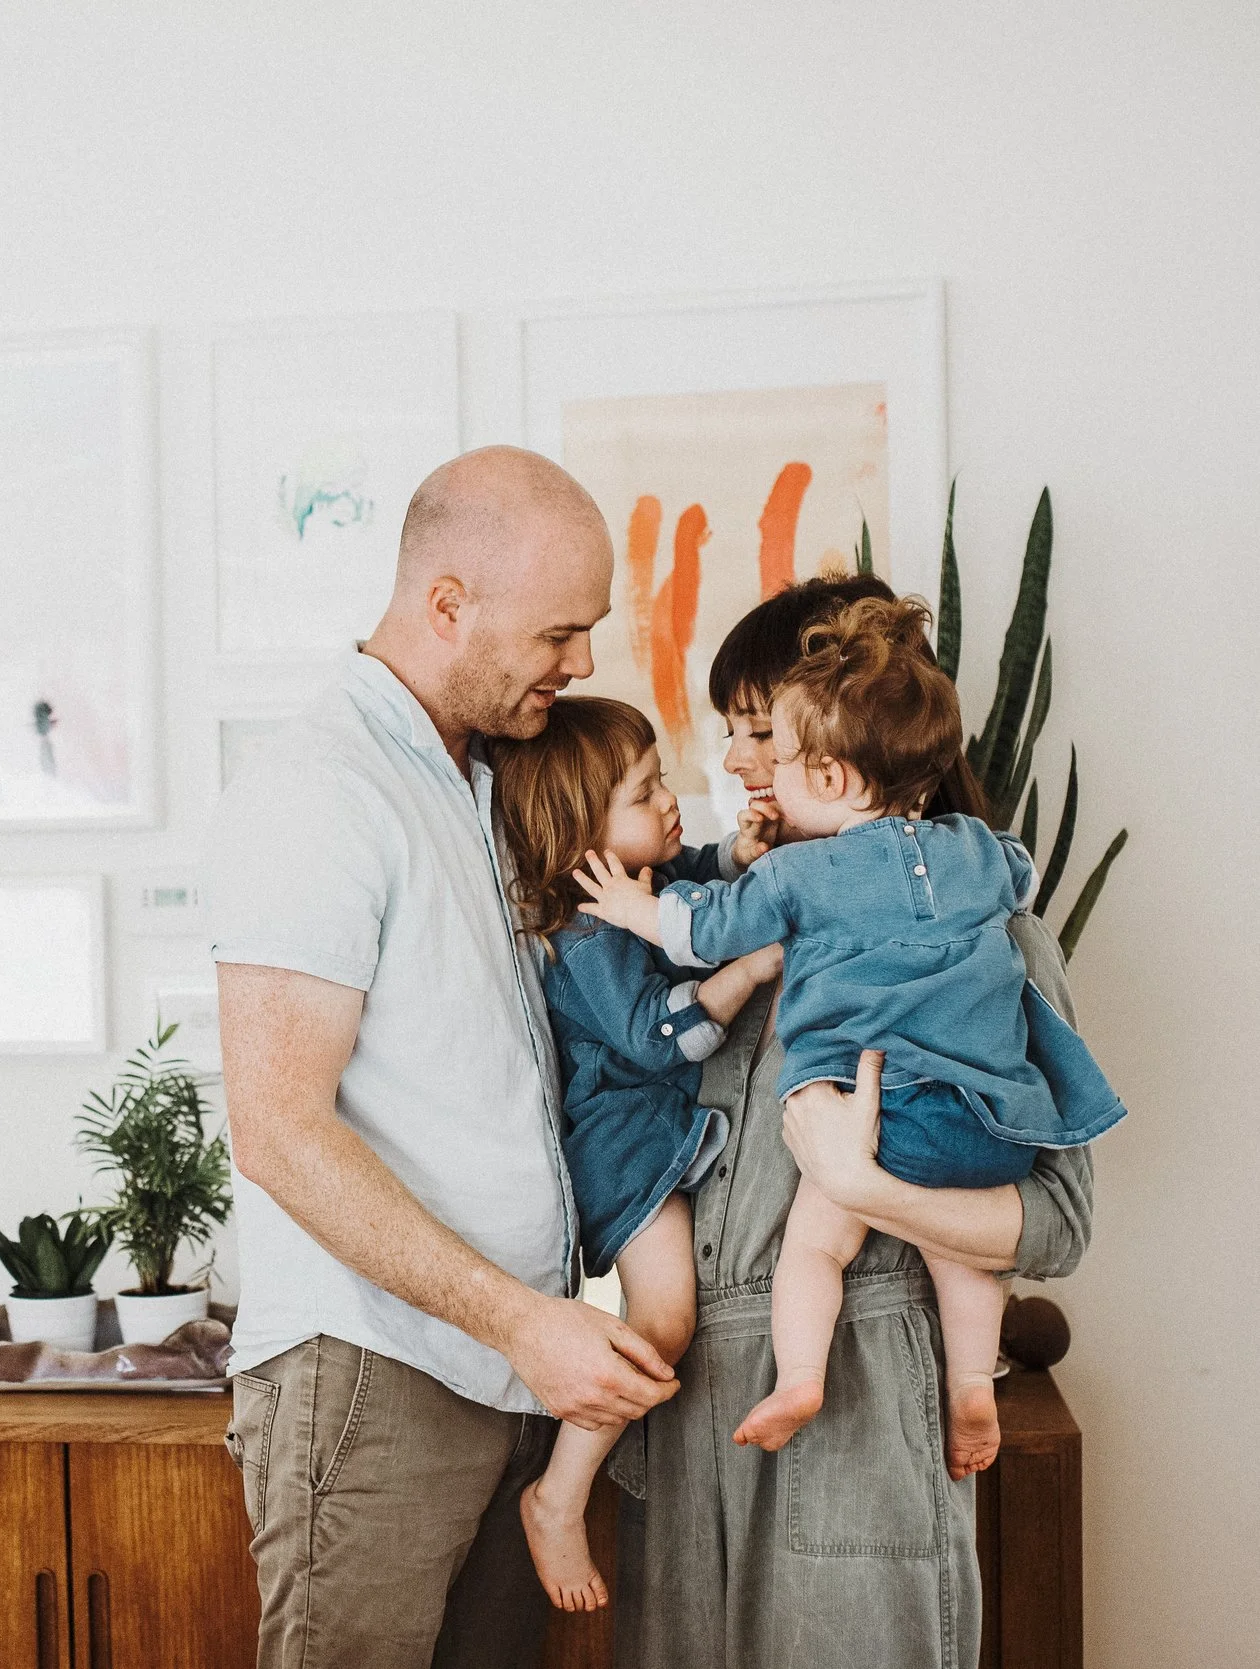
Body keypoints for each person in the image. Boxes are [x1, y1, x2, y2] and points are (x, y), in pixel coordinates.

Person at [206, 446, 679, 1668]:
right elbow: (278, 1128)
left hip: (494, 1371)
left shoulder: (475, 779)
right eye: (558, 632)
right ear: (448, 603)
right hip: (377, 1376)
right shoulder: (322, 786)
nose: (580, 663)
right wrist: (524, 1322)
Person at [607, 575, 1099, 1669]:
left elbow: (1058, 1223)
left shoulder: (990, 939)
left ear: (835, 751)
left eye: (753, 733)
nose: (733, 763)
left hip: (863, 1417)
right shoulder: (706, 941)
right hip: (690, 1422)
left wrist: (872, 1191)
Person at [486, 697, 786, 1610]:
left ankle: (576, 1477)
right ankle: (560, 1492)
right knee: (663, 1325)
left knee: (676, 1330)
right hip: (625, 1152)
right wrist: (746, 968)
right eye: (644, 792)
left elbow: (693, 874)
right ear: (583, 840)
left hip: (661, 1140)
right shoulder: (585, 935)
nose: (669, 802)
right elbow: (661, 1038)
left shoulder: (634, 885)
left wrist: (741, 857)